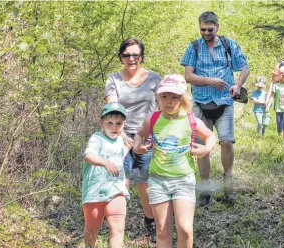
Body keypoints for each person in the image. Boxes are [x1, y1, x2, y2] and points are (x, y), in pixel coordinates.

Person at [134, 74, 216, 248]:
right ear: (159, 98)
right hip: (158, 180)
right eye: (164, 96)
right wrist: (138, 146)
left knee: (185, 229)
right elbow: (140, 134)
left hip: (183, 180)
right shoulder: (154, 119)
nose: (169, 101)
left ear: (183, 99)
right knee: (162, 230)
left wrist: (206, 149)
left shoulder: (190, 120)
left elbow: (209, 136)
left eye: (174, 97)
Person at [181, 11, 250, 206]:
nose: (206, 33)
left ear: (217, 28)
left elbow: (244, 68)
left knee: (226, 142)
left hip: (225, 102)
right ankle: (205, 191)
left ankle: (228, 185)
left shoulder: (229, 45)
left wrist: (237, 85)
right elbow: (188, 76)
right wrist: (209, 81)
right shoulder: (193, 47)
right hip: (201, 103)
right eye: (202, 29)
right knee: (202, 148)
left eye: (210, 29)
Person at [104, 38, 162, 242]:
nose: (131, 58)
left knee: (145, 183)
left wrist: (152, 136)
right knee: (121, 183)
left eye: (135, 54)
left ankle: (151, 224)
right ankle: (117, 230)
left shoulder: (155, 78)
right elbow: (112, 110)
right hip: (119, 137)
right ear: (121, 57)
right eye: (127, 55)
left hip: (147, 136)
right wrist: (124, 137)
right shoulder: (113, 79)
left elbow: (162, 109)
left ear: (142, 56)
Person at [81, 102, 130, 248]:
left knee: (117, 228)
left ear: (123, 124)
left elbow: (124, 156)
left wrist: (137, 147)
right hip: (94, 191)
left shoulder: (122, 141)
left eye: (118, 124)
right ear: (102, 122)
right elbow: (88, 155)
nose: (114, 127)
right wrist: (105, 163)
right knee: (92, 228)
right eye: (109, 123)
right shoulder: (97, 138)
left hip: (116, 190)